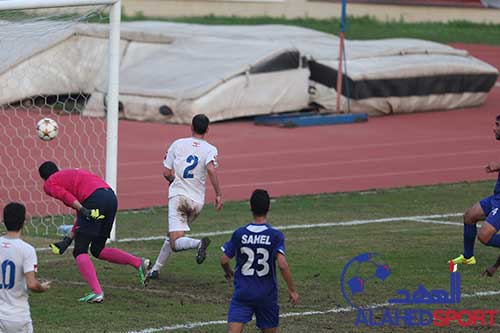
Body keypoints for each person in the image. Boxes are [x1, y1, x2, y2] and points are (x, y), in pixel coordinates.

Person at [38, 161, 151, 303]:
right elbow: (82, 213)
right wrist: (68, 239)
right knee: (97, 249)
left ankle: (97, 292)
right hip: (110, 198)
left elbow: (68, 197)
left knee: (79, 250)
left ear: (43, 177)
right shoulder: (71, 175)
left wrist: (83, 210)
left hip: (94, 200)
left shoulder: (50, 182)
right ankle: (138, 262)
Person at [147, 114, 223, 280]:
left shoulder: (178, 144)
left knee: (176, 242)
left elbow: (166, 173)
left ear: (191, 127)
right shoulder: (211, 149)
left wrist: (173, 180)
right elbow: (211, 169)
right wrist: (218, 194)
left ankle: (198, 244)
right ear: (208, 129)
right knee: (172, 234)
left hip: (179, 197)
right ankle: (155, 270)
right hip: (197, 203)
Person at [220, 189, 299, 333]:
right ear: (269, 207)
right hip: (266, 295)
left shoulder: (240, 233)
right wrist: (292, 290)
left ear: (250, 207)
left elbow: (224, 259)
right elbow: (282, 264)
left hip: (242, 293)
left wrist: (229, 273)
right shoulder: (275, 235)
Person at [450, 115, 500, 266]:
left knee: (484, 237)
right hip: (496, 197)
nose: (494, 129)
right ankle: (468, 257)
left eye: (498, 125)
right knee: (469, 216)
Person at [0, 202, 50, 332]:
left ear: (3, 221)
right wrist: (42, 288)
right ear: (24, 222)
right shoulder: (27, 250)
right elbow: (32, 284)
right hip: (17, 316)